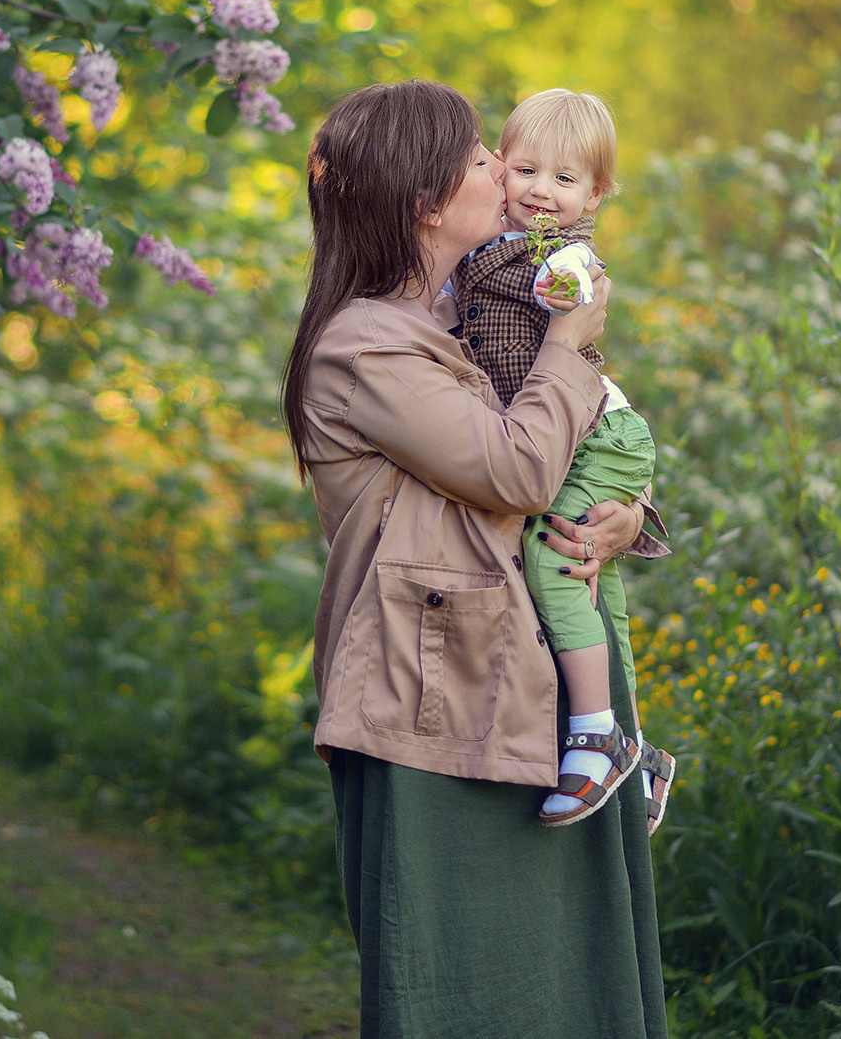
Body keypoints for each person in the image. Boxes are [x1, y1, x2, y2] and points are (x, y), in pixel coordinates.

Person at [282, 80, 668, 1038]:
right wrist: (575, 343)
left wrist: (628, 514)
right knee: (458, 981)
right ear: (425, 201)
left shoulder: (478, 310)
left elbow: (569, 455)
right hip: (434, 700)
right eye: (483, 159)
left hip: (542, 679)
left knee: (579, 975)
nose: (506, 171)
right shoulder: (366, 346)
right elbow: (516, 465)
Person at [450, 88, 672, 828]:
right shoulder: (480, 247)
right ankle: (640, 751)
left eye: (566, 179)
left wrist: (566, 286)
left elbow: (571, 286)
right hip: (574, 434)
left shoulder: (560, 254)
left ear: (596, 194)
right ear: (498, 170)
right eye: (526, 170)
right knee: (597, 588)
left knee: (555, 558)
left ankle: (597, 734)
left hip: (600, 435)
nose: (542, 191)